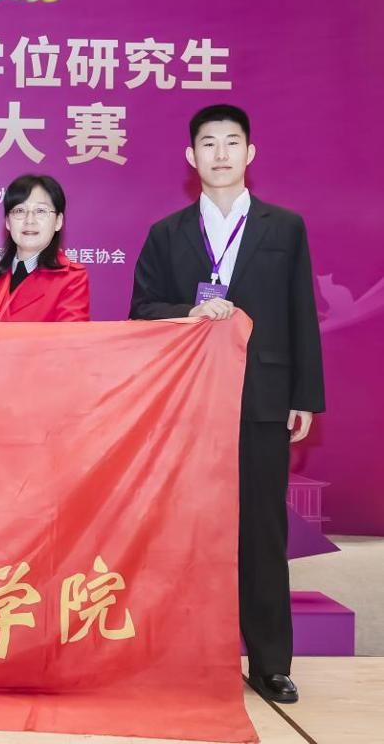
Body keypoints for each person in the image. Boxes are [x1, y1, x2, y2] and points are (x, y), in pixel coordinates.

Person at [129, 104, 325, 703]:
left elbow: (301, 312)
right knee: (184, 528)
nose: (220, 153)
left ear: (249, 153)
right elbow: (141, 312)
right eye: (208, 143)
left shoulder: (283, 227)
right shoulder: (166, 233)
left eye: (231, 142)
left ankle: (270, 663)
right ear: (190, 157)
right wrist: (188, 312)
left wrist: (305, 396)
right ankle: (182, 655)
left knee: (262, 531)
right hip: (187, 402)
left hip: (263, 397)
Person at [0, 174, 89, 322]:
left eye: (40, 211)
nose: (29, 220)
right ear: (8, 222)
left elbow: (71, 336)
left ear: (58, 221)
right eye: (20, 210)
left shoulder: (71, 279)